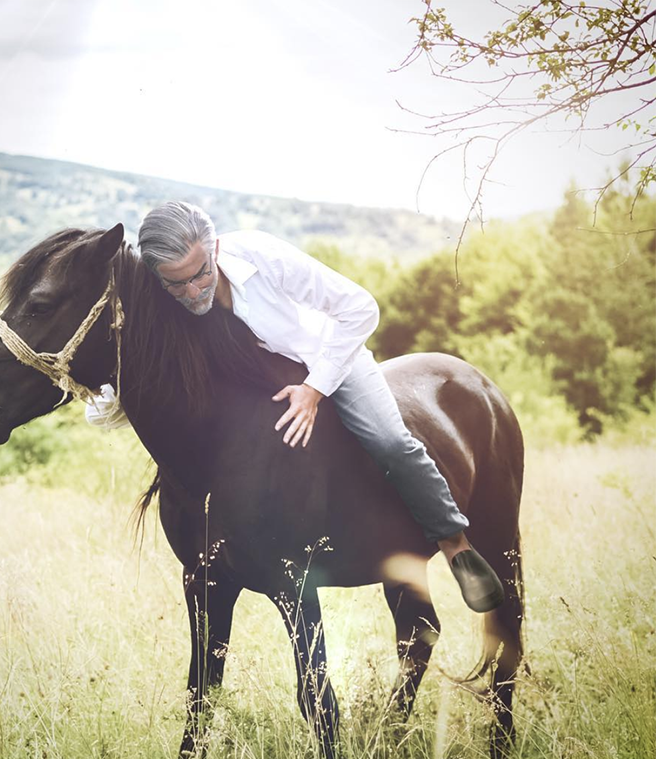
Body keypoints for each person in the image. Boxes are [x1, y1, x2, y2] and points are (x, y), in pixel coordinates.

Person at [87, 202, 504, 613]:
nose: (194, 292)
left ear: (214, 251)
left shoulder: (264, 257)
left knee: (390, 441)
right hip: (261, 373)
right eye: (177, 285)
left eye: (200, 275)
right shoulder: (162, 288)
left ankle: (455, 545)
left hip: (328, 357)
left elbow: (361, 309)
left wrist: (314, 388)